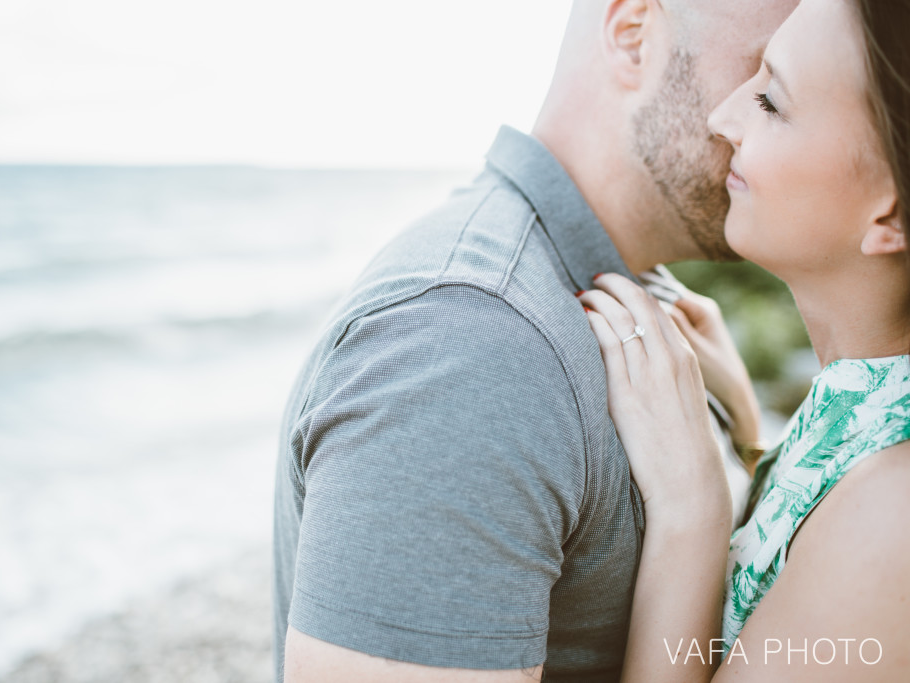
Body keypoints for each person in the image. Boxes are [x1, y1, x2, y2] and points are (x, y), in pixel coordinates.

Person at [273, 0, 797, 681]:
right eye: (764, 72)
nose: (758, 116)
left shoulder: (644, 300)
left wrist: (743, 445)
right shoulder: (466, 351)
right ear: (634, 36)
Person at [579, 0, 910, 679]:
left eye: (770, 100)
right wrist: (752, 440)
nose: (723, 117)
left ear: (892, 212)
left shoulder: (892, 519)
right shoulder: (868, 427)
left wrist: (692, 507)